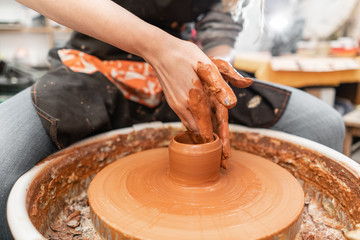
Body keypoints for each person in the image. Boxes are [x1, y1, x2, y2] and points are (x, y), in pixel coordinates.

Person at [0, 0, 345, 238]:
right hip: (99, 62)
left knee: (321, 125)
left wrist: (213, 65)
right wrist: (156, 46)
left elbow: (223, 13)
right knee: (2, 166)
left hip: (188, 64)